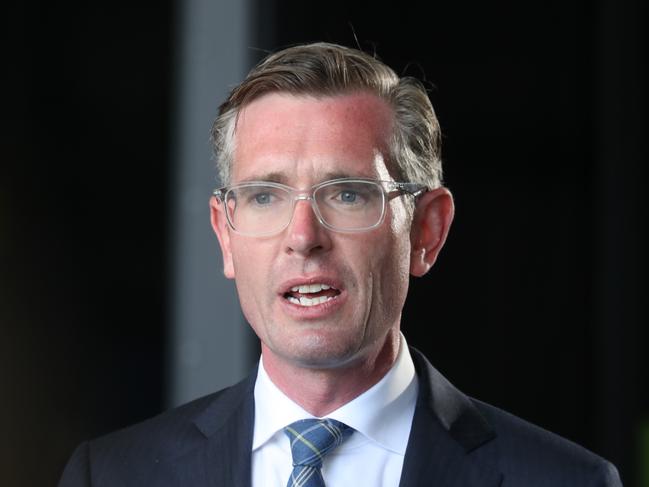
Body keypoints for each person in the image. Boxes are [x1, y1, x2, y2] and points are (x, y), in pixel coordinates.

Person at [59, 42, 622, 487]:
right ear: (225, 235)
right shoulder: (110, 475)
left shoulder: (565, 480)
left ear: (427, 230)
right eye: (265, 197)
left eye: (348, 194)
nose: (303, 238)